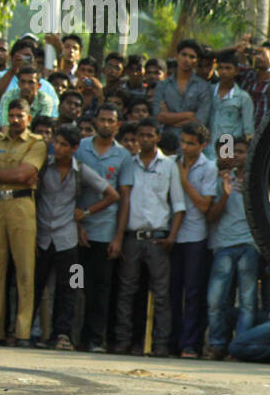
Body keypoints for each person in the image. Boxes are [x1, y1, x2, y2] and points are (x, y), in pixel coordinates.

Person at [35, 125, 119, 350]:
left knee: (71, 287)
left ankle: (62, 334)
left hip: (68, 240)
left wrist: (87, 212)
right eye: (57, 143)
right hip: (41, 236)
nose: (58, 148)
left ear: (74, 148)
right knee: (35, 285)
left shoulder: (81, 171)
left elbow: (112, 194)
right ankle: (33, 333)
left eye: (63, 145)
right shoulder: (43, 167)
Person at [109, 119, 185, 356]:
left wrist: (172, 235)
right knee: (127, 292)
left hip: (157, 236)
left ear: (157, 138)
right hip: (132, 235)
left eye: (149, 135)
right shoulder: (128, 163)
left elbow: (179, 205)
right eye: (141, 135)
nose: (144, 140)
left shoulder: (168, 165)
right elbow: (123, 201)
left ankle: (160, 344)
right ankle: (124, 340)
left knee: (161, 294)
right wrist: (119, 238)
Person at [0, 98, 48, 346]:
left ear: (29, 118)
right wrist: (14, 176)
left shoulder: (37, 143)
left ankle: (23, 331)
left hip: (22, 206)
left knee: (25, 271)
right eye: (12, 115)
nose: (16, 120)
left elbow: (25, 174)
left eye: (21, 115)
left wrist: (7, 175)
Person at [75, 104, 136, 352]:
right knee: (76, 284)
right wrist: (77, 224)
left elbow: (124, 198)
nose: (106, 124)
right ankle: (72, 336)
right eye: (102, 119)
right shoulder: (81, 148)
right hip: (79, 232)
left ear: (118, 125)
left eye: (111, 120)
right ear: (95, 121)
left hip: (105, 232)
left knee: (101, 290)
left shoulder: (123, 156)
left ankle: (95, 340)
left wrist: (118, 237)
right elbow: (73, 190)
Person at [203, 137, 260, 359]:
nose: (236, 155)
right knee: (216, 300)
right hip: (223, 245)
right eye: (233, 151)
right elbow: (211, 216)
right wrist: (225, 195)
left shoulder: (256, 180)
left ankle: (241, 348)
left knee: (248, 302)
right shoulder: (221, 180)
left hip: (249, 245)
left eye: (242, 152)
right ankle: (217, 344)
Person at [170, 121, 216, 357]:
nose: (185, 147)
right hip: (173, 235)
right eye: (183, 141)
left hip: (196, 237)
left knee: (194, 293)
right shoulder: (172, 163)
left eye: (190, 143)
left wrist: (184, 180)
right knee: (173, 292)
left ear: (202, 145)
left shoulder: (209, 168)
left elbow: (204, 204)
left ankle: (190, 344)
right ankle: (172, 342)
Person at [152, 40, 213, 144]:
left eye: (192, 57)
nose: (186, 59)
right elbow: (159, 116)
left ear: (196, 61)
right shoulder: (163, 85)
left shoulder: (204, 87)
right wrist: (189, 115)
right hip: (166, 142)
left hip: (192, 143)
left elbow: (200, 120)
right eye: (184, 55)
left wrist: (170, 118)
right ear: (177, 56)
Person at [207, 50, 255, 161]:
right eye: (221, 68)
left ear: (236, 71)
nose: (224, 72)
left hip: (228, 151)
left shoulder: (243, 97)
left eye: (228, 68)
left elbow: (248, 132)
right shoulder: (209, 91)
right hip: (207, 149)